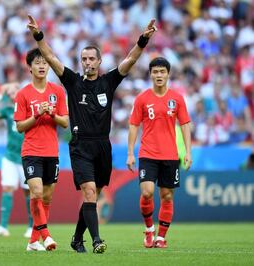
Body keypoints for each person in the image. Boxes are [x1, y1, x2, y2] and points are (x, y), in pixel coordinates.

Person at [27, 15, 157, 253]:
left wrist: (143, 40)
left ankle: (77, 238)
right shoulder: (73, 82)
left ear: (99, 61)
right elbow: (51, 57)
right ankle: (97, 240)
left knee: (92, 197)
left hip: (102, 146)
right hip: (80, 146)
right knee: (88, 192)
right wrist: (38, 36)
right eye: (83, 59)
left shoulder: (108, 82)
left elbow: (131, 59)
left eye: (91, 59)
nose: (87, 62)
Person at [127, 57, 192, 248]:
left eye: (162, 71)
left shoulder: (177, 98)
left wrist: (188, 151)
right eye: (155, 72)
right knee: (146, 193)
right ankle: (149, 229)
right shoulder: (142, 98)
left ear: (168, 74)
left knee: (167, 196)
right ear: (150, 74)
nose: (159, 75)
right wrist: (130, 153)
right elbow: (133, 125)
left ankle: (161, 237)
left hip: (171, 155)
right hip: (148, 154)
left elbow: (185, 124)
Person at [14, 48, 69, 251]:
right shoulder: (23, 94)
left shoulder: (57, 92)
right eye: (37, 63)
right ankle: (46, 236)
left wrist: (51, 114)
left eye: (45, 63)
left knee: (46, 197)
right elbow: (19, 126)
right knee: (35, 192)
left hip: (51, 152)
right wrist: (36, 114)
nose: (42, 66)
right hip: (31, 151)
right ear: (30, 67)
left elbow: (64, 122)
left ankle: (32, 242)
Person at [0, 82, 33, 238]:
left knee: (29, 192)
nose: (13, 95)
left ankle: (32, 227)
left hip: (27, 156)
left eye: (15, 92)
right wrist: (0, 94)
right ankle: (3, 226)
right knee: (7, 188)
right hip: (10, 156)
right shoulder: (8, 111)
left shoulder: (31, 109)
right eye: (10, 93)